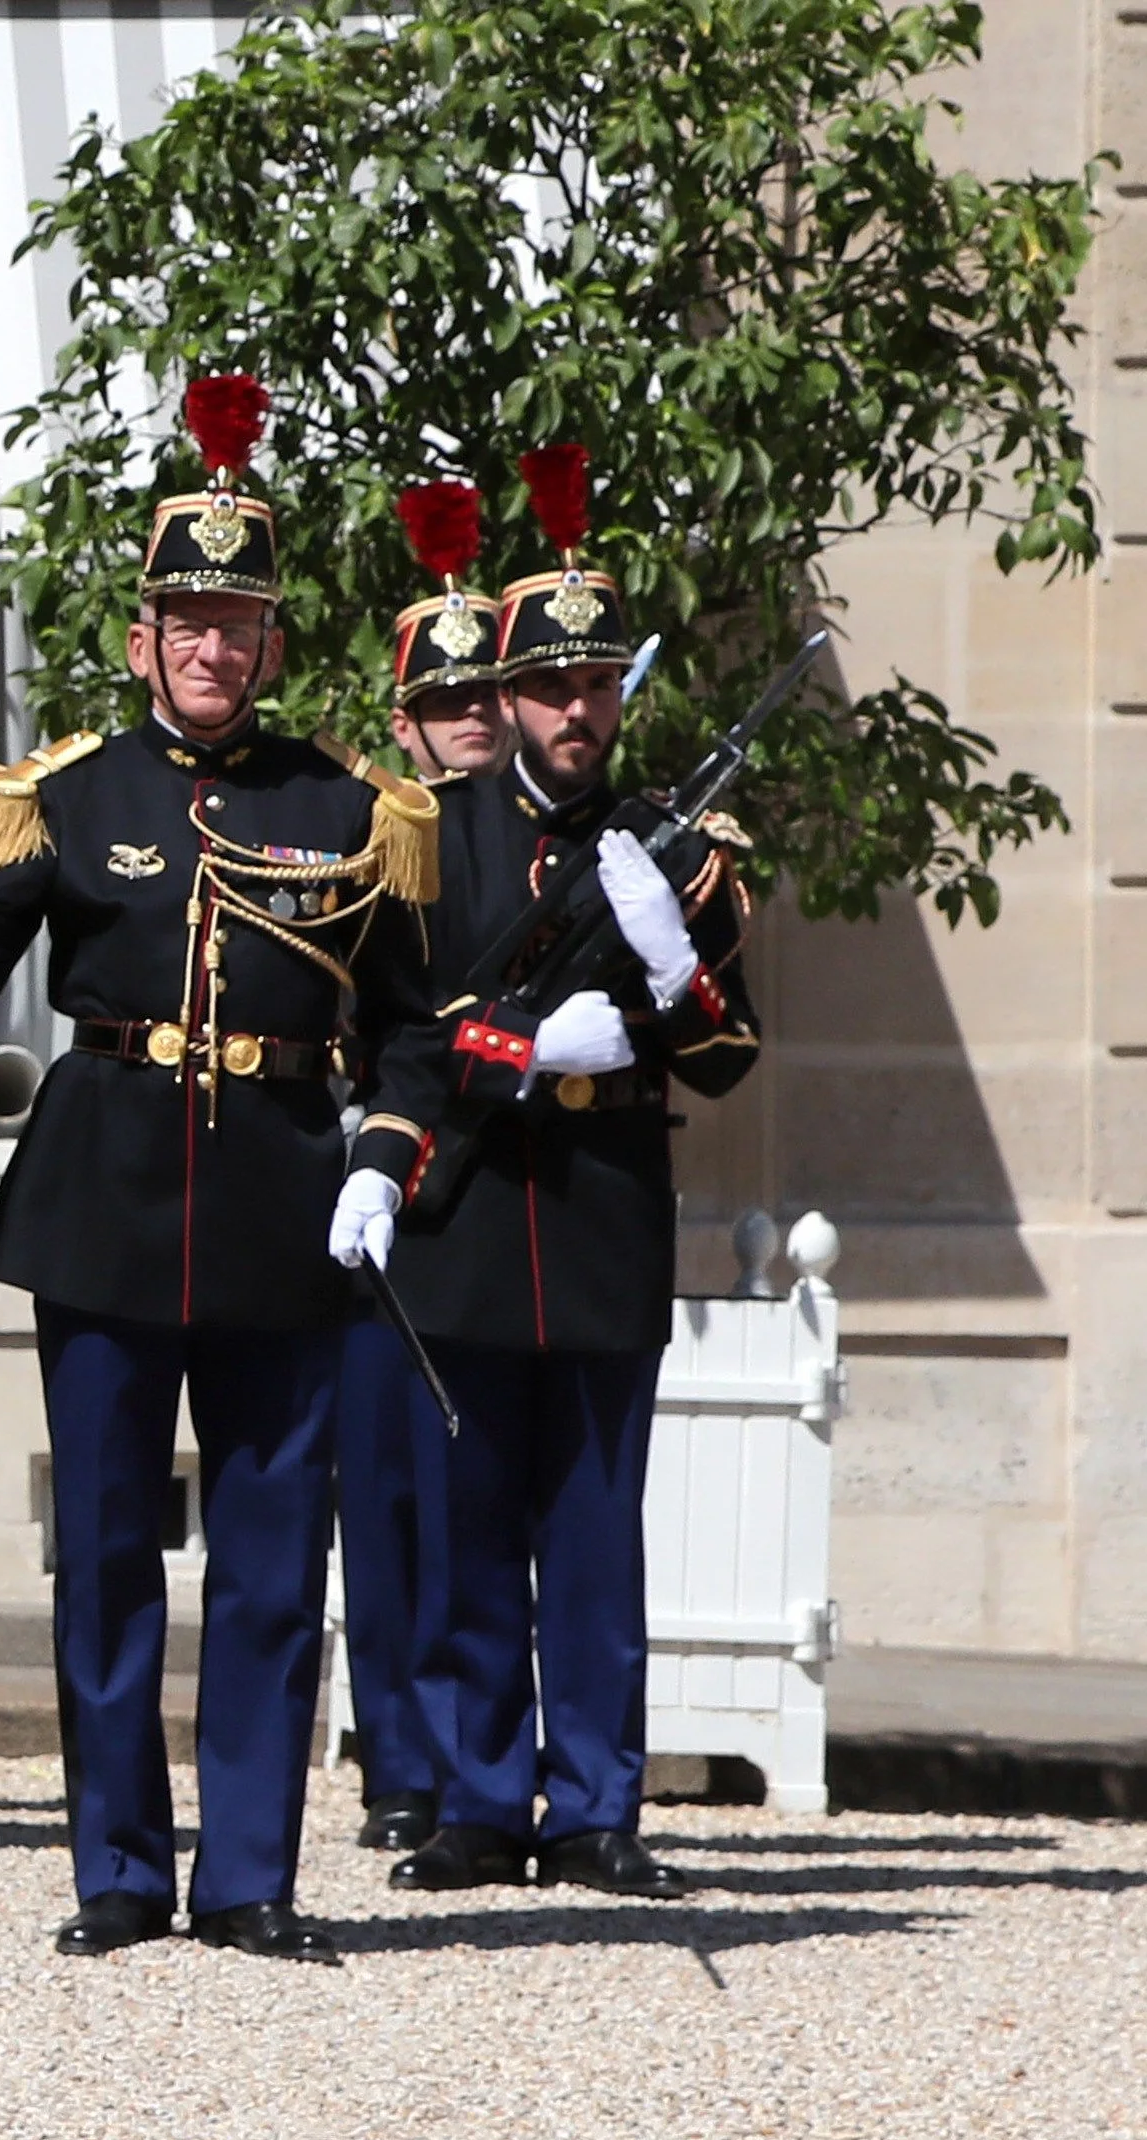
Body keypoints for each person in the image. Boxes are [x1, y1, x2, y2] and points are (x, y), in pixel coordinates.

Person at [0, 374, 429, 1964]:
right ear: (141, 640)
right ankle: (120, 1869)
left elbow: (405, 1028)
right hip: (107, 1198)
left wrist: (384, 1161)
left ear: (272, 643)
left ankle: (251, 1874)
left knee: (275, 1563)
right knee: (109, 1554)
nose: (210, 648)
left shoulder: (348, 807)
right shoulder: (71, 794)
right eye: (184, 620)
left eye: (238, 622)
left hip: (279, 1203)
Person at [330, 443, 756, 1903]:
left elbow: (728, 1050)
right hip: (466, 1216)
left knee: (590, 1536)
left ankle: (595, 1806)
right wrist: (512, 1057)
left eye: (598, 688)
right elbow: (394, 1030)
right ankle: (474, 1798)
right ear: (503, 702)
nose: (578, 713)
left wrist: (666, 961)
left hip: (600, 1220)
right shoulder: (431, 843)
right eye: (550, 690)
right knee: (462, 1534)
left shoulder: (673, 851)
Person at [335, 479, 512, 1851]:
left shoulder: (539, 844)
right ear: (404, 723)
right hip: (386, 1190)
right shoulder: (378, 842)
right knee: (386, 1496)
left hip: (498, 1189)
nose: (473, 717)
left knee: (480, 1504)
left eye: (488, 698)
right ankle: (400, 1759)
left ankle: (480, 1765)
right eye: (447, 704)